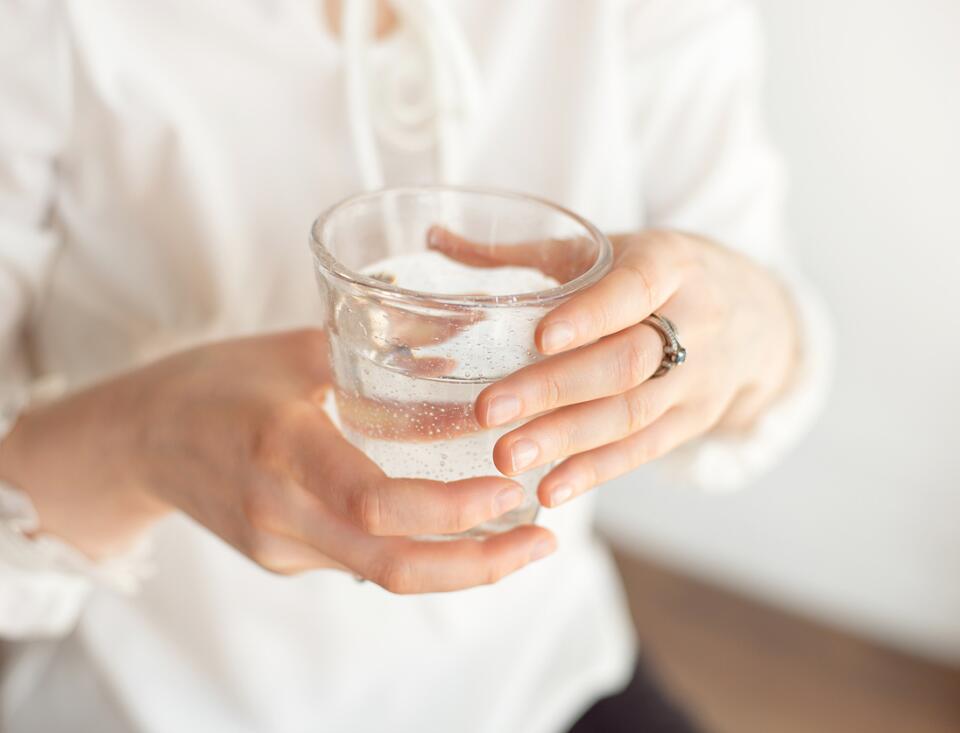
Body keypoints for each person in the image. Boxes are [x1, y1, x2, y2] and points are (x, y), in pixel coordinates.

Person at [0, 1, 831, 731]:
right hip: (158, 698)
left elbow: (772, 333)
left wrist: (746, 322)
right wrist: (142, 441)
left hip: (533, 673)